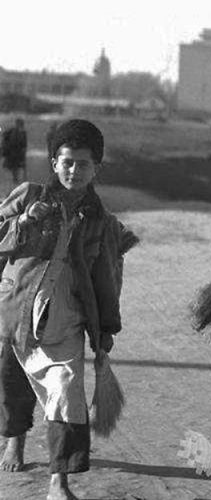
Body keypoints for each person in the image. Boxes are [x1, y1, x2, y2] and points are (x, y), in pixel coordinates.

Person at [0, 119, 132, 500]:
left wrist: (105, 329)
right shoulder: (27, 196)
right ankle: (16, 440)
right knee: (11, 384)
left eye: (84, 164)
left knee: (67, 392)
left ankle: (59, 481)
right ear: (55, 162)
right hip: (16, 309)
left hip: (66, 319)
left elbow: (106, 276)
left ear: (97, 169)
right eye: (68, 162)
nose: (75, 171)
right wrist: (24, 222)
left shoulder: (101, 223)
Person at [1, 118, 28, 184]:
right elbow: (14, 144)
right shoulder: (14, 132)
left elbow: (24, 144)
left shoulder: (23, 133)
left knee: (17, 167)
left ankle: (19, 181)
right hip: (13, 153)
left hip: (17, 153)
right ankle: (16, 181)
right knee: (15, 168)